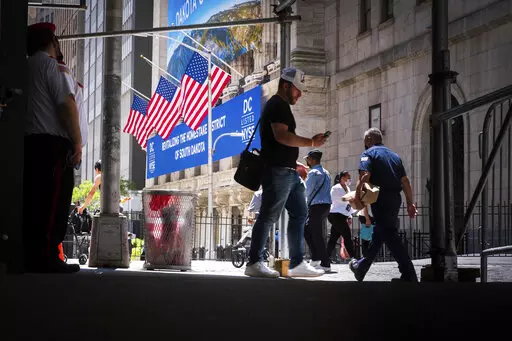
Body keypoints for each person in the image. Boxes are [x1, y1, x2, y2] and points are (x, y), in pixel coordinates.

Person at [244, 67, 327, 278]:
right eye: (298, 89)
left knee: (300, 214)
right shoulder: (277, 105)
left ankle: (297, 263)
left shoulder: (280, 106)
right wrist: (311, 142)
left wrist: (296, 163)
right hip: (278, 172)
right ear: (286, 85)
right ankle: (254, 262)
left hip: (288, 171)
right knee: (269, 215)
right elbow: (281, 137)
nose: (300, 94)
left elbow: (278, 144)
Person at [23, 22, 82, 273]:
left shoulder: (23, 68)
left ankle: (33, 254)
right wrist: (77, 143)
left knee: (33, 200)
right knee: (52, 202)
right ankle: (46, 256)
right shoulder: (52, 66)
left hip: (29, 144)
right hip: (52, 146)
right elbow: (67, 104)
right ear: (52, 42)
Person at [349, 128, 418, 282]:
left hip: (380, 199)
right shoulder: (395, 156)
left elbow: (365, 175)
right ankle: (361, 268)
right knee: (381, 234)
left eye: (364, 142)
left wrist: (358, 195)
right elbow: (405, 181)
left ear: (368, 140)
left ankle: (409, 273)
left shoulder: (368, 154)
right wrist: (410, 203)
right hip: (395, 199)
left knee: (390, 235)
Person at [303, 150, 332, 272]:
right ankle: (315, 259)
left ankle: (325, 263)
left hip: (316, 206)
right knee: (307, 230)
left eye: (308, 159)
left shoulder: (314, 172)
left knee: (316, 234)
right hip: (325, 206)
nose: (307, 161)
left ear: (312, 159)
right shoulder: (326, 172)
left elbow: (307, 191)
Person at [326, 171, 356, 262]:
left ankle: (326, 256)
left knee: (333, 237)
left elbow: (348, 204)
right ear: (342, 178)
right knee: (347, 235)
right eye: (348, 177)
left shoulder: (347, 188)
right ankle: (353, 257)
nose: (350, 179)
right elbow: (340, 200)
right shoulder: (335, 188)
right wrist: (350, 199)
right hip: (335, 215)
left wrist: (349, 215)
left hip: (342, 216)